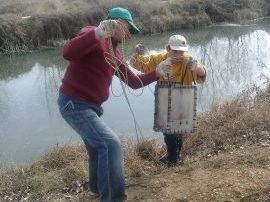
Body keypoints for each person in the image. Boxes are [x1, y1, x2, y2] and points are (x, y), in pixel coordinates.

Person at [57, 7, 170, 202]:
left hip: (90, 107)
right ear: (115, 23)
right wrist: (97, 33)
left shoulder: (115, 53)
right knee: (110, 145)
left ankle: (95, 190)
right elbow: (68, 52)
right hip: (74, 104)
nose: (128, 34)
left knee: (96, 148)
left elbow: (134, 82)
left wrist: (156, 72)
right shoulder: (91, 33)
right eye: (127, 28)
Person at [130, 34, 207, 166]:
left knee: (179, 131)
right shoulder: (159, 58)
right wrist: (136, 54)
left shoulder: (189, 60)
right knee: (168, 132)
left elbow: (202, 73)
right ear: (167, 48)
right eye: (175, 51)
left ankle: (175, 158)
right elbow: (138, 64)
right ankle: (174, 159)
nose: (178, 54)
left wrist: (198, 69)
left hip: (184, 97)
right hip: (164, 96)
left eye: (181, 51)